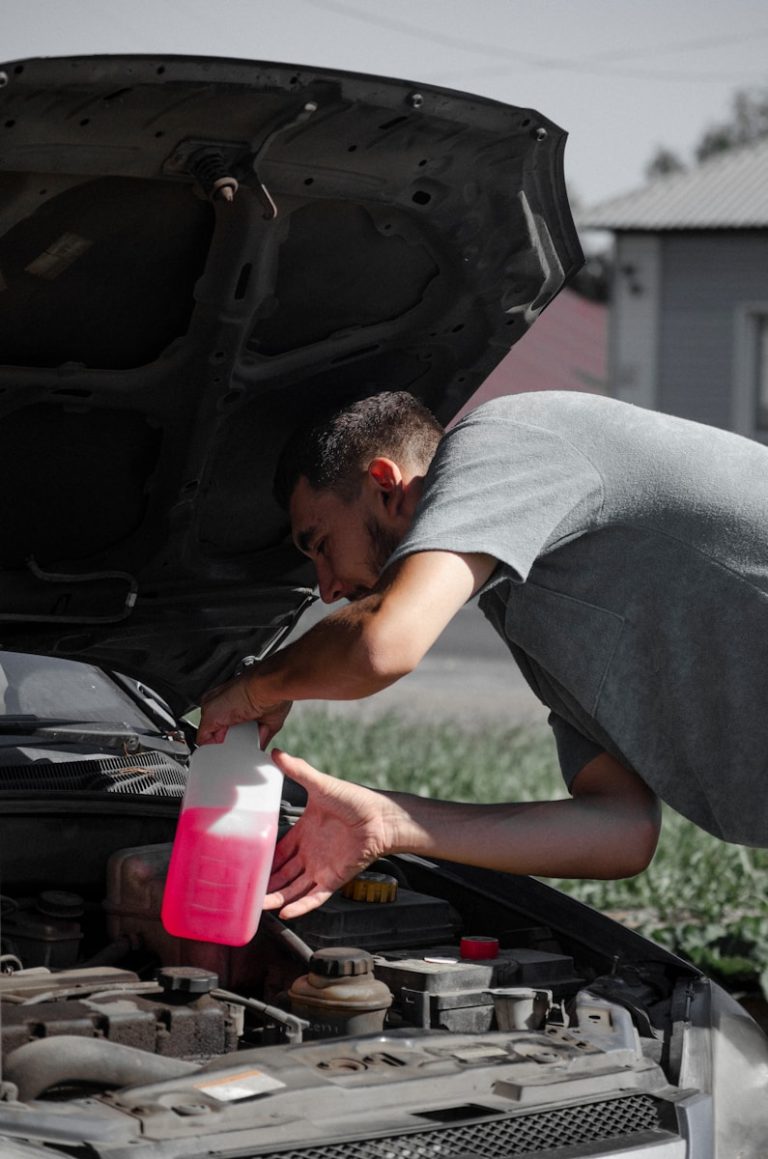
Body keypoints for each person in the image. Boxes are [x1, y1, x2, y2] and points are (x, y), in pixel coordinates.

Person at [198, 389, 768, 920]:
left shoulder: (506, 436)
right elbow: (620, 831)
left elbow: (381, 643)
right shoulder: (527, 610)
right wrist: (389, 821)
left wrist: (257, 687)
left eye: (320, 545)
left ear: (384, 484)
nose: (324, 588)